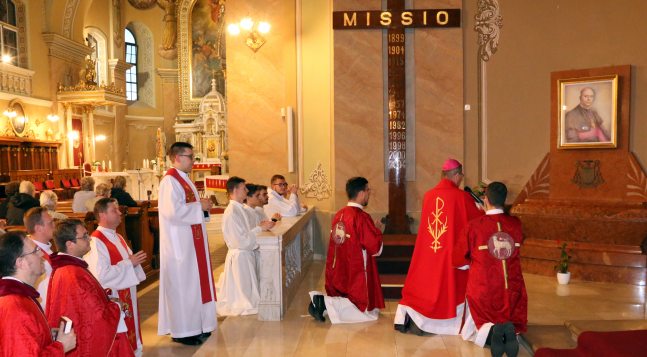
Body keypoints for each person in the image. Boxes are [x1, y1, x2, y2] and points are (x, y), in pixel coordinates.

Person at [394, 159, 484, 335]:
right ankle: (446, 323)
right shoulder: (462, 197)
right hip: (450, 253)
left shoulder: (428, 195)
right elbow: (477, 222)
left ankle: (420, 318)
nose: (460, 180)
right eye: (461, 177)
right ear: (457, 176)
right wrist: (481, 209)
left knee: (426, 284)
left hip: (429, 252)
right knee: (451, 285)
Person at [453, 182, 526, 357]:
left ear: (485, 199)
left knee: (471, 331)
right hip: (511, 290)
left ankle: (493, 333)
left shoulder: (474, 226)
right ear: (506, 199)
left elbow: (458, 261)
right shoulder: (516, 224)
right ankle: (510, 332)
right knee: (510, 310)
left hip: (484, 290)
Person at [157, 142, 216, 346]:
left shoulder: (184, 179)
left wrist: (202, 207)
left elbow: (188, 206)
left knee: (195, 284)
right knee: (183, 286)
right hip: (179, 246)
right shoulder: (169, 181)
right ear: (177, 158)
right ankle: (181, 331)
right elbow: (172, 213)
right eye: (191, 157)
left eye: (193, 157)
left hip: (191, 241)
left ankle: (197, 326)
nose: (194, 161)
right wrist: (200, 207)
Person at [308, 177, 384, 324]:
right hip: (356, 269)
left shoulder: (339, 214)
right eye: (368, 190)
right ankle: (323, 303)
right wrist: (377, 232)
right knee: (358, 306)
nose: (369, 194)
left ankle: (323, 303)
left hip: (340, 266)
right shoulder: (361, 217)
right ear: (361, 193)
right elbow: (375, 249)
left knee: (344, 294)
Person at [46, 219, 121, 357]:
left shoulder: (69, 268)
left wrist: (106, 298)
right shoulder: (73, 274)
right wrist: (114, 306)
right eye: (84, 236)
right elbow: (94, 318)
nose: (89, 240)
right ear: (69, 244)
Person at [86, 198, 147, 357]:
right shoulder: (96, 241)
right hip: (114, 295)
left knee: (131, 327)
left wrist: (133, 263)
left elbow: (129, 263)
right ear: (103, 215)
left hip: (127, 293)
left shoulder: (118, 237)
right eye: (115, 210)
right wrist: (129, 263)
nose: (120, 213)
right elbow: (102, 275)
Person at [0, 230, 77, 356]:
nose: (41, 254)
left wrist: (45, 335)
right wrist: (61, 346)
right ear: (21, 263)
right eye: (36, 250)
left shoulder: (21, 297)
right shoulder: (16, 307)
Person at [216, 177, 274, 316]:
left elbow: (246, 234)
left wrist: (259, 229)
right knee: (242, 299)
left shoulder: (240, 209)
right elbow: (241, 241)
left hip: (246, 255)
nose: (247, 190)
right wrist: (259, 229)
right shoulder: (231, 212)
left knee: (250, 293)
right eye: (244, 188)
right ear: (236, 190)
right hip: (240, 255)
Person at [24, 207, 56, 310]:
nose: (54, 225)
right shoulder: (32, 256)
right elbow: (43, 296)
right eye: (50, 223)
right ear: (38, 228)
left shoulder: (46, 249)